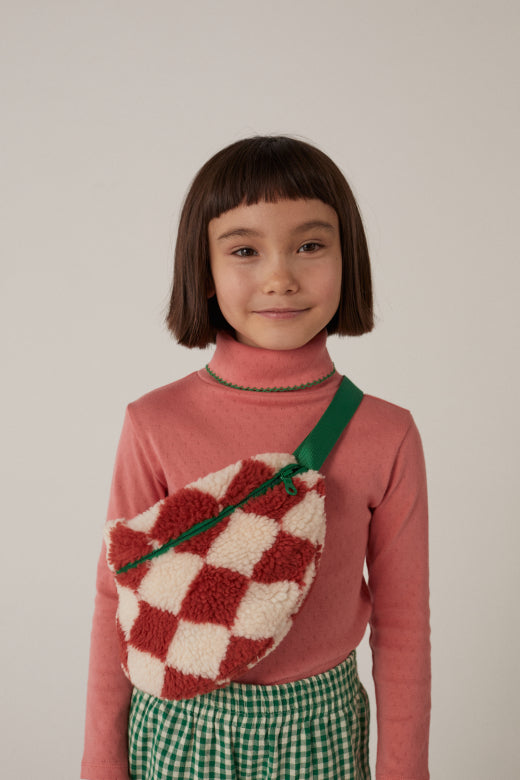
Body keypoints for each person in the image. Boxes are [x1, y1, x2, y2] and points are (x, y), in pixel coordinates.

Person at [81, 135, 431, 780]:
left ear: (349, 258)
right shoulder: (154, 421)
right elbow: (117, 600)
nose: (280, 277)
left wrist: (404, 770)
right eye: (244, 250)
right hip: (177, 730)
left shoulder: (387, 433)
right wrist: (101, 764)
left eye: (310, 245)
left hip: (322, 733)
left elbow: (403, 622)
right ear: (204, 269)